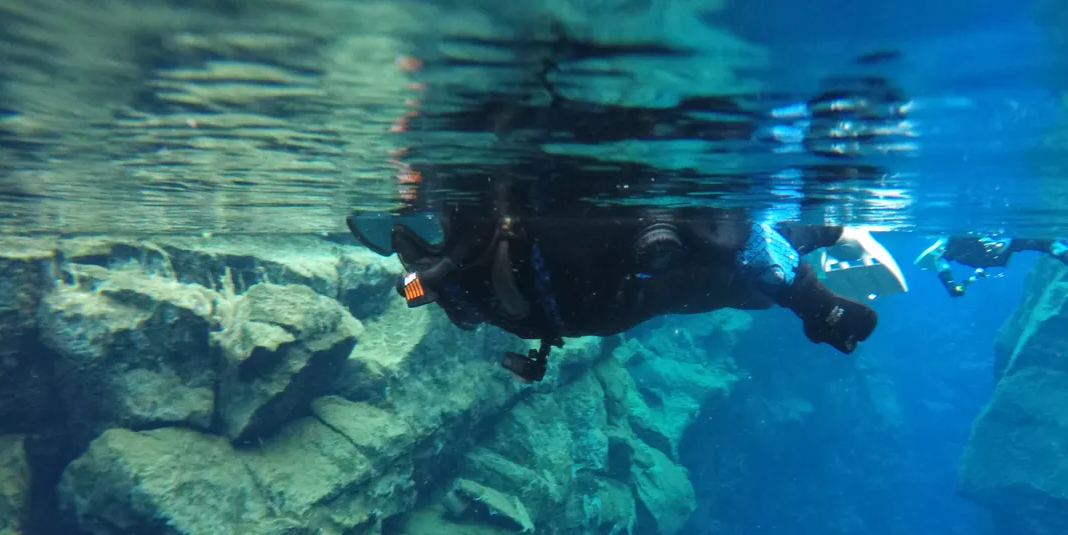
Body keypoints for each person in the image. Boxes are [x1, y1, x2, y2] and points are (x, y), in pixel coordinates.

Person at [348, 196, 888, 380]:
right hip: (585, 307)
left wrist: (817, 303)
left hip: (586, 300)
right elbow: (440, 301)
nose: (402, 242)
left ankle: (826, 237)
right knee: (713, 276)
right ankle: (819, 248)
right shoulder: (430, 274)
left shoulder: (521, 224)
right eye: (386, 236)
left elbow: (724, 238)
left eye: (411, 225)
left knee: (717, 260)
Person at [916, 234, 1068, 297]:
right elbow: (941, 259)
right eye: (990, 240)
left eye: (998, 241)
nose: (993, 244)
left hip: (982, 259)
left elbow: (1049, 245)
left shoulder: (1016, 241)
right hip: (968, 254)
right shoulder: (962, 241)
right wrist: (949, 284)